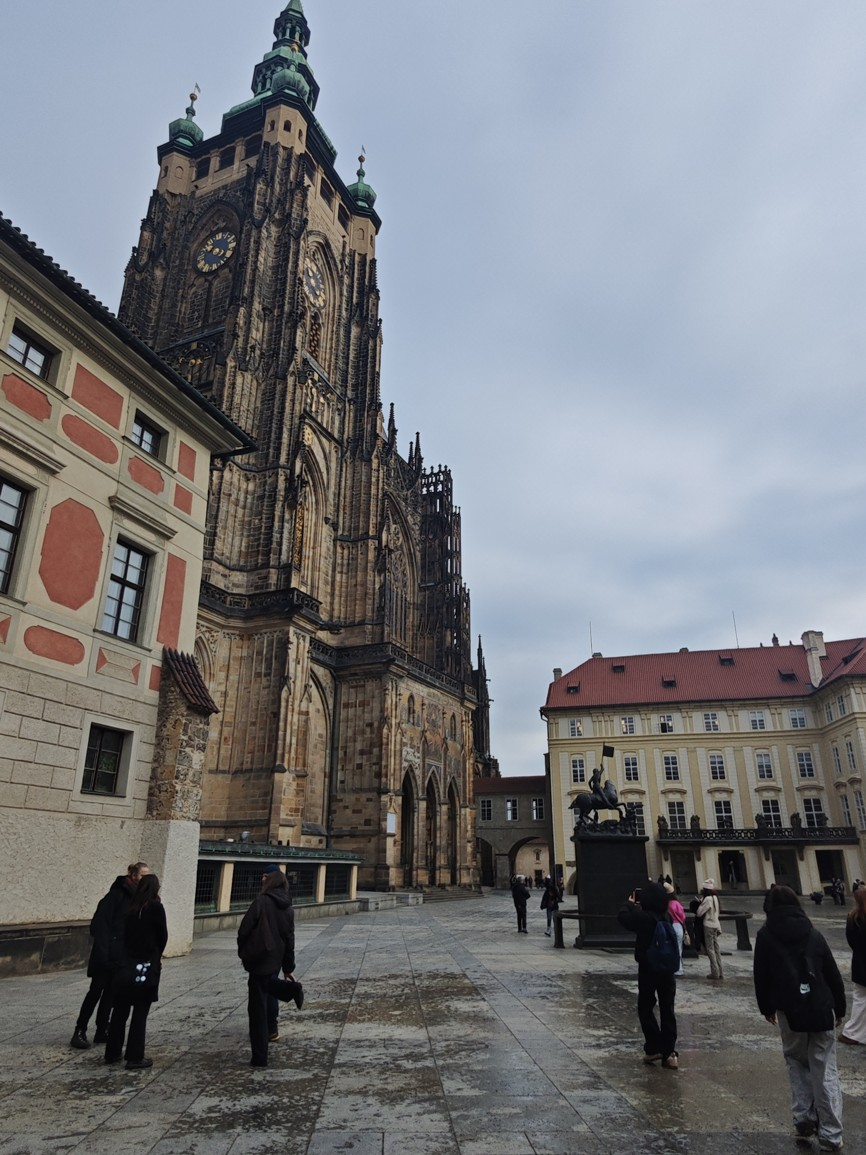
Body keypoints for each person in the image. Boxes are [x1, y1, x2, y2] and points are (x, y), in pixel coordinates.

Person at [753, 885, 845, 1151]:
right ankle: (831, 1133)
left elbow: (761, 975)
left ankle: (803, 1117)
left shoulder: (766, 936)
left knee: (796, 1060)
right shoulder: (813, 933)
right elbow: (832, 973)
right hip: (821, 1007)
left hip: (789, 1008)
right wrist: (840, 1008)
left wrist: (766, 1007)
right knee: (824, 1068)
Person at [70, 862, 150, 1050]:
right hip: (106, 955)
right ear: (133, 876)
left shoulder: (138, 899)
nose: (145, 880)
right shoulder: (115, 896)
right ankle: (80, 1030)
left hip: (122, 956)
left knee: (111, 995)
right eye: (142, 876)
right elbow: (99, 926)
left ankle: (102, 1029)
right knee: (95, 992)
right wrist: (105, 953)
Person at [237, 865, 301, 1068]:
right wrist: (288, 967)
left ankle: (259, 1058)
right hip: (275, 958)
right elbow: (289, 939)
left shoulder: (261, 901)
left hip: (259, 958)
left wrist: (244, 951)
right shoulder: (288, 906)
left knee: (256, 1008)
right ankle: (290, 991)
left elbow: (244, 929)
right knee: (269, 986)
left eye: (265, 877)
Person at [104, 873, 167, 1070]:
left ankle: (112, 1052)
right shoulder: (155, 907)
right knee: (140, 1012)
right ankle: (134, 1056)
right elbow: (162, 936)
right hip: (145, 966)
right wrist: (156, 956)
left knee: (120, 1010)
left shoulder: (131, 908)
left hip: (125, 966)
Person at [617, 882, 679, 1069]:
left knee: (645, 1006)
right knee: (668, 1009)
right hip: (667, 969)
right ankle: (670, 1053)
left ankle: (653, 1047)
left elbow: (623, 918)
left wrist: (629, 903)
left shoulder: (643, 918)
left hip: (648, 967)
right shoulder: (667, 917)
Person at [839, 884, 866, 1046]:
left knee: (860, 999)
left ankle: (853, 1032)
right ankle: (852, 1033)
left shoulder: (852, 917)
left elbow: (851, 941)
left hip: (860, 963)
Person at [697, 879, 723, 980]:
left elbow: (699, 912)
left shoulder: (707, 899)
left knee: (710, 949)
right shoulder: (715, 898)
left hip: (708, 925)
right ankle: (720, 971)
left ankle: (714, 972)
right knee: (716, 949)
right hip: (716, 924)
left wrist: (700, 903)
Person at [665, 883, 686, 977]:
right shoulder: (676, 903)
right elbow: (682, 916)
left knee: (671, 948)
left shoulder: (665, 904)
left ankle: (672, 967)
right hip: (677, 925)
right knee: (679, 948)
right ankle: (679, 968)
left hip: (669, 926)